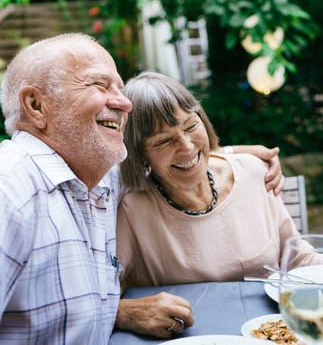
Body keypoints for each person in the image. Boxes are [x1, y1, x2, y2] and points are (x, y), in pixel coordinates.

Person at [0, 34, 283, 342]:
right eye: (99, 85)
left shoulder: (98, 176)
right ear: (36, 105)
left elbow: (169, 156)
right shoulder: (11, 188)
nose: (124, 103)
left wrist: (234, 154)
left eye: (120, 89)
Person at [116, 71, 323, 334]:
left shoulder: (253, 173)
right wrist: (123, 312)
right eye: (163, 141)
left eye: (191, 126)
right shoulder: (132, 210)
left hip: (271, 333)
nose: (186, 146)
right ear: (140, 154)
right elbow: (107, 292)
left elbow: (297, 259)